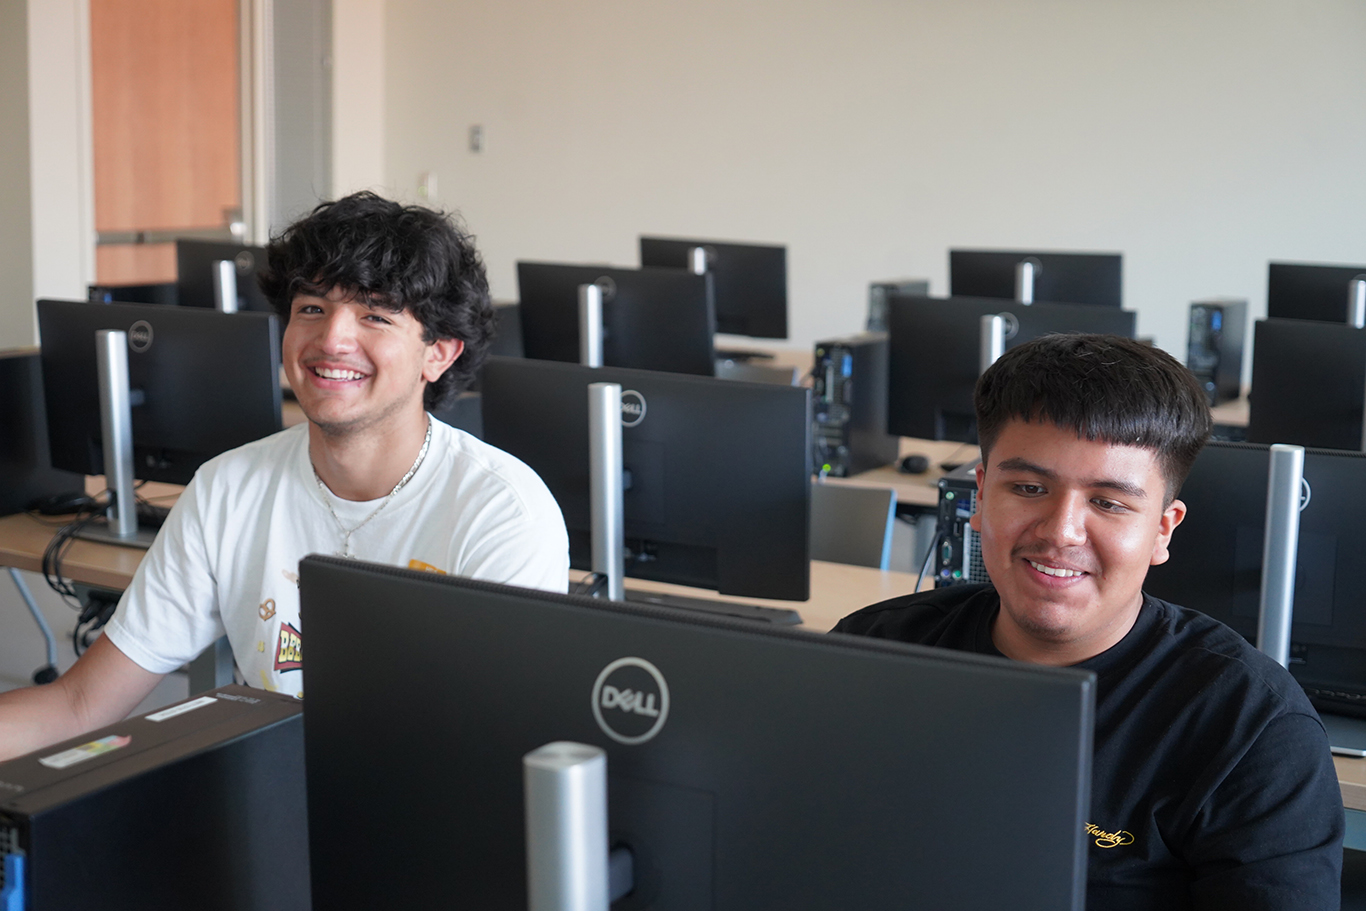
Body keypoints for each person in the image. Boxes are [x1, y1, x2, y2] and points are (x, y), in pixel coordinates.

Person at [0, 192, 569, 761]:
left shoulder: (502, 513)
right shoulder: (228, 487)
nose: (332, 340)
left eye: (374, 315)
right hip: (271, 799)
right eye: (312, 309)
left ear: (438, 354)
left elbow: (490, 755)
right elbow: (79, 704)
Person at [835, 334, 1344, 909]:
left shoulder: (1252, 727)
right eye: (1028, 488)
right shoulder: (870, 653)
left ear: (1162, 530)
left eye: (1109, 502)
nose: (1060, 532)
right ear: (978, 497)